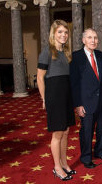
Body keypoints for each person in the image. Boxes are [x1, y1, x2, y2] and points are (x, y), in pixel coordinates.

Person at [37, 20, 75, 181]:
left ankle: (64, 163)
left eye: (65, 32)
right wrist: (44, 99)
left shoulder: (66, 53)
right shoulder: (47, 52)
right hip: (54, 95)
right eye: (60, 32)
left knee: (66, 132)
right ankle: (57, 167)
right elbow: (40, 77)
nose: (63, 35)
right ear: (53, 34)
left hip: (66, 95)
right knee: (58, 133)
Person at [70, 28, 102, 168]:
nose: (93, 40)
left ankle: (100, 151)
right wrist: (78, 104)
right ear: (83, 40)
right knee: (87, 131)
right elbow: (74, 83)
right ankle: (86, 157)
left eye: (95, 37)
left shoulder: (100, 55)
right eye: (89, 37)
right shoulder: (76, 57)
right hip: (86, 101)